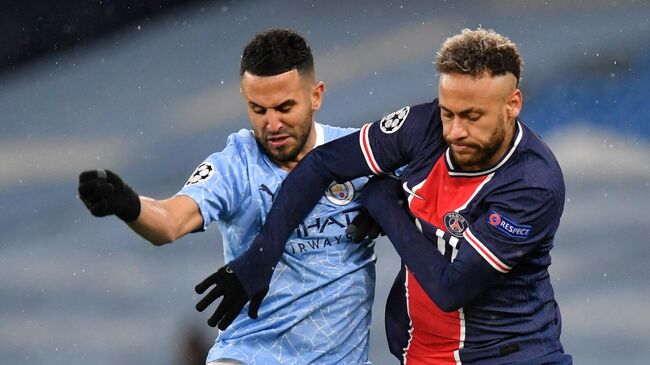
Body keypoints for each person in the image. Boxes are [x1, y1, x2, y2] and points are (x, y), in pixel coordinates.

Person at [206, 28, 573, 364]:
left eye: (473, 116)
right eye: (448, 113)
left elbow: (451, 289)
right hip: (421, 356)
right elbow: (322, 164)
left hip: (511, 355)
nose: (455, 131)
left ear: (513, 104)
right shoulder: (423, 126)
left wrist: (386, 206)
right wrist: (262, 254)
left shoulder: (532, 183)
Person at [77, 29, 378, 365]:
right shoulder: (235, 166)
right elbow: (170, 221)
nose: (272, 124)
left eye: (284, 107)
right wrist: (129, 205)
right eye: (258, 109)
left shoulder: (361, 154)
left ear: (316, 96)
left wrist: (389, 199)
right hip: (248, 356)